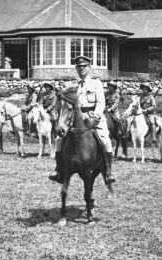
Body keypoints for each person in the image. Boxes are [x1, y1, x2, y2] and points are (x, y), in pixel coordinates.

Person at [49, 55, 116, 185]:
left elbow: (101, 103)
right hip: (77, 118)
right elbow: (66, 102)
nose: (82, 68)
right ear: (76, 68)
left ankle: (108, 172)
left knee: (106, 140)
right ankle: (58, 170)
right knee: (59, 140)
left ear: (89, 67)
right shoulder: (73, 85)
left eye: (84, 66)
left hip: (94, 117)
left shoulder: (96, 83)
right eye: (79, 66)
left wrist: (95, 117)